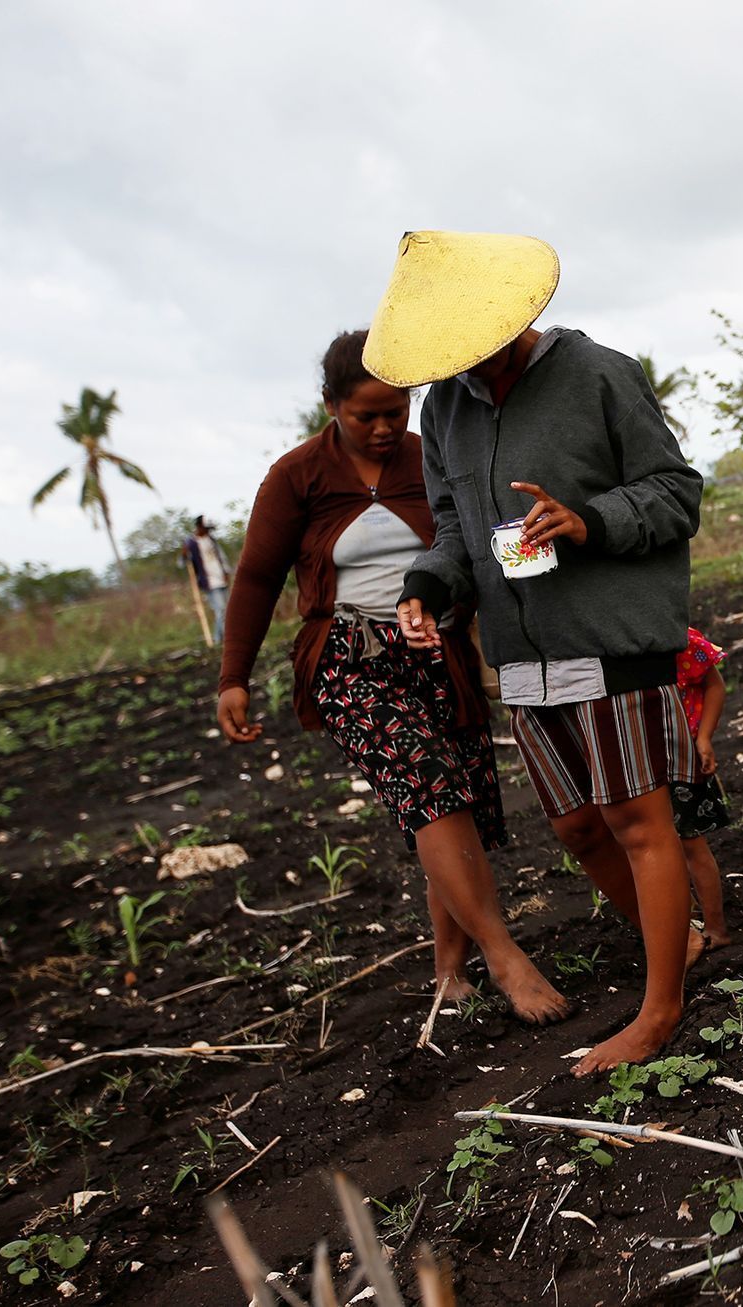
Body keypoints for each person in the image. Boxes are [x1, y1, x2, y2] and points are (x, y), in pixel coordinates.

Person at [368, 231, 705, 1075]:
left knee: (636, 819)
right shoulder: (445, 408)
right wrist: (428, 590)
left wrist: (586, 520)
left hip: (612, 634)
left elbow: (674, 493)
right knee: (576, 825)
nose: (463, 363)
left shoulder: (596, 373)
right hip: (522, 651)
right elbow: (454, 530)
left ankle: (660, 1008)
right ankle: (683, 944)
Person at [215, 330, 567, 1024]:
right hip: (350, 657)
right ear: (329, 406)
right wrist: (234, 676)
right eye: (363, 415)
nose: (381, 428)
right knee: (431, 787)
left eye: (393, 411)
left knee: (449, 797)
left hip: (439, 650)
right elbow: (256, 577)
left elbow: (465, 538)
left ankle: (449, 969)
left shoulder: (426, 454)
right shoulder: (297, 476)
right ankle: (503, 956)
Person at [670, 627, 733, 949]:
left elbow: (715, 686)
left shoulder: (679, 639)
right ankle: (683, 925)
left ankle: (716, 928)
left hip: (681, 756)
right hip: (640, 759)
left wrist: (704, 738)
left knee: (690, 843)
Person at [184, 516, 234, 643]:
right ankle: (222, 639)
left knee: (227, 610)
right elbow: (182, 562)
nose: (208, 531)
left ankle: (219, 638)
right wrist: (184, 555)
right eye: (206, 529)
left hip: (221, 579)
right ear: (199, 527)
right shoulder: (191, 543)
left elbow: (222, 557)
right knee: (220, 610)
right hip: (209, 582)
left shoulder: (211, 540)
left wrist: (226, 572)